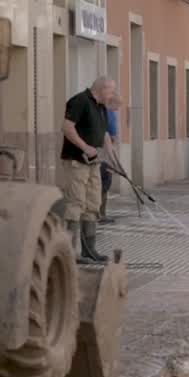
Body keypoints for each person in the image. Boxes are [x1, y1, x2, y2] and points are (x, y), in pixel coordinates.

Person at [62, 77, 116, 264]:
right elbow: (67, 128)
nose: (112, 95)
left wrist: (113, 159)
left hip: (95, 163)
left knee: (93, 204)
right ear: (101, 89)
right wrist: (85, 148)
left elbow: (105, 134)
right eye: (110, 91)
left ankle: (89, 250)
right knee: (75, 204)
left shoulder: (100, 106)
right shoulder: (79, 101)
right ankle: (70, 252)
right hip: (77, 161)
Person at [99, 94, 122, 225]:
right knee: (104, 186)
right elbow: (109, 140)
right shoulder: (109, 115)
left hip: (100, 157)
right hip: (104, 158)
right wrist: (114, 163)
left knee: (101, 187)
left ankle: (98, 214)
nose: (117, 109)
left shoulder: (101, 113)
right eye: (117, 106)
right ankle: (100, 214)